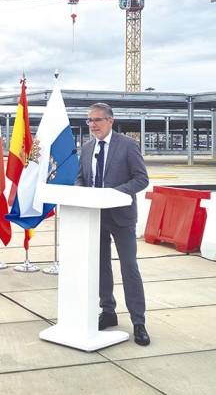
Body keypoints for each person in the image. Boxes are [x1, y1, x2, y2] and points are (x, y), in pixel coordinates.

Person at [75, 103, 151, 346]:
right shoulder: (87, 148)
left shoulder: (128, 145)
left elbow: (141, 179)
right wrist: (79, 192)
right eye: (89, 120)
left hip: (121, 217)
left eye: (97, 120)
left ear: (110, 121)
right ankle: (108, 312)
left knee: (129, 267)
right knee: (101, 267)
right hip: (96, 217)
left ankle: (139, 322)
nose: (92, 125)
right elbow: (81, 177)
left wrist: (113, 194)